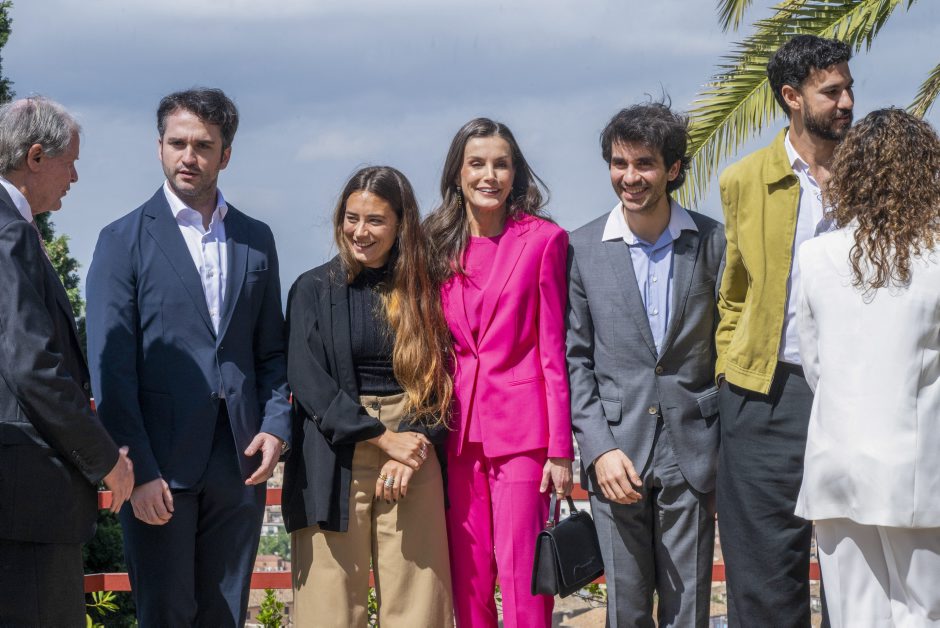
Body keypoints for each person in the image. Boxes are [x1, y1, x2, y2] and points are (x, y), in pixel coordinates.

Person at [86, 88, 291, 627]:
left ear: (226, 154)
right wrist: (137, 470)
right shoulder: (120, 240)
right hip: (159, 466)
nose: (188, 156)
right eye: (177, 143)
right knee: (167, 614)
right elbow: (110, 370)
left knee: (226, 615)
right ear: (158, 147)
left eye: (203, 145)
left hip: (240, 462)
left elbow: (271, 350)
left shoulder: (256, 239)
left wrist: (275, 426)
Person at [567, 102, 725, 627]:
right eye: (619, 163)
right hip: (616, 453)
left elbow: (726, 345)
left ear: (673, 168)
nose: (629, 177)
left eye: (644, 164)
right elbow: (575, 359)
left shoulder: (713, 242)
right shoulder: (580, 249)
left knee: (689, 613)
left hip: (693, 452)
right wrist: (598, 449)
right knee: (626, 612)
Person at [715, 34, 854, 625]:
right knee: (764, 579)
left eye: (849, 88)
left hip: (855, 394)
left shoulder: (872, 179)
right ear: (792, 97)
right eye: (832, 91)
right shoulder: (743, 179)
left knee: (858, 570)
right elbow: (733, 293)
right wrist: (729, 373)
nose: (847, 102)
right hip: (765, 397)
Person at [283, 166, 454, 627]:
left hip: (414, 445)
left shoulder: (427, 289)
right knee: (329, 608)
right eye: (352, 218)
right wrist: (383, 439)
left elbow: (445, 373)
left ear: (400, 224)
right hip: (333, 452)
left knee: (420, 607)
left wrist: (411, 447)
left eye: (375, 220)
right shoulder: (311, 289)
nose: (360, 232)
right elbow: (308, 380)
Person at [424, 118, 574, 628]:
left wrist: (560, 449)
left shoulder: (544, 241)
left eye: (501, 164)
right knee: (468, 581)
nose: (489, 175)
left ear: (515, 174)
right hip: (457, 432)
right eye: (477, 164)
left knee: (523, 579)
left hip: (524, 436)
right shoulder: (435, 244)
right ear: (458, 173)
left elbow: (553, 350)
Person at [795, 108, 940, 627]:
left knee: (855, 615)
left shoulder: (815, 256)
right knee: (924, 613)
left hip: (835, 463)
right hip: (917, 469)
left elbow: (814, 364)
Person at [0, 96, 134, 626]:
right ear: (35, 157)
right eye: (69, 162)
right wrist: (105, 459)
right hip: (26, 499)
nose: (75, 177)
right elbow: (33, 366)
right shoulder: (10, 232)